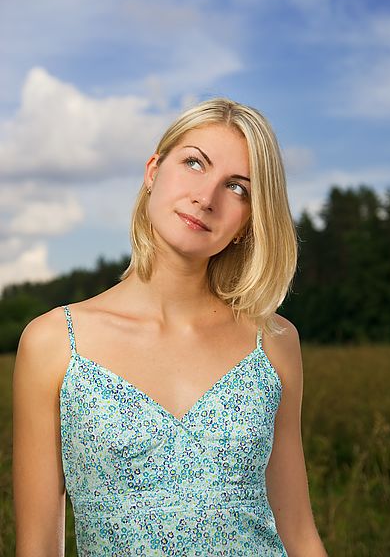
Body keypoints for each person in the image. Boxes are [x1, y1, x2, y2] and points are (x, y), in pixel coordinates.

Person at [13, 98, 328, 556]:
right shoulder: (53, 343)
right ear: (152, 171)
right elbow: (38, 546)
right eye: (194, 163)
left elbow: (299, 534)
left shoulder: (274, 342)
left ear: (247, 223)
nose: (207, 198)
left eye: (238, 188)